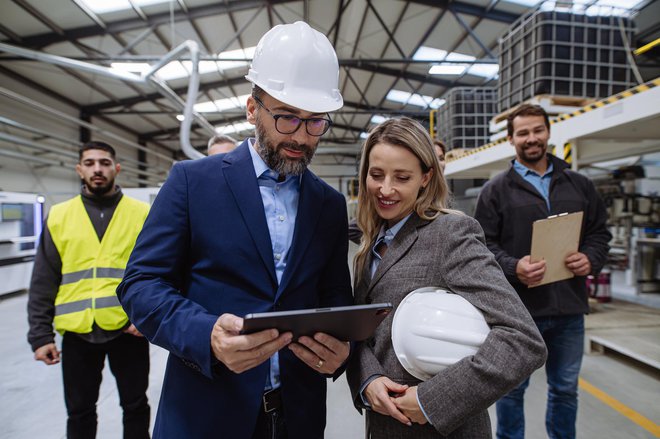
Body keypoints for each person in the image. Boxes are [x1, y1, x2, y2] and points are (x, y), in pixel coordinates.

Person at [116, 21, 353, 439]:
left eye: (316, 122)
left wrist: (340, 350)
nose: (301, 136)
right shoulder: (192, 182)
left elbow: (333, 295)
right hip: (207, 411)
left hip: (297, 414)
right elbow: (140, 284)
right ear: (251, 109)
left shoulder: (329, 205)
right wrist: (205, 334)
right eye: (286, 118)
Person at [346, 117, 547, 438]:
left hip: (444, 430)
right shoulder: (371, 242)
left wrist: (429, 401)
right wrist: (368, 379)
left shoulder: (450, 233)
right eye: (376, 174)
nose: (385, 189)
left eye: (402, 177)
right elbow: (362, 332)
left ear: (426, 177)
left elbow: (522, 341)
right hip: (383, 425)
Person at [473, 104, 612, 439]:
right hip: (519, 314)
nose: (531, 138)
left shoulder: (579, 185)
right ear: (511, 139)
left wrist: (590, 259)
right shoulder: (495, 191)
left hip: (569, 310)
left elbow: (599, 233)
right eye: (523, 132)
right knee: (511, 390)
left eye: (537, 130)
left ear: (548, 132)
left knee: (565, 390)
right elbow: (482, 247)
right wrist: (514, 267)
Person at [27, 141, 151, 439]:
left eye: (105, 163)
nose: (98, 169)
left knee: (135, 406)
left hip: (127, 330)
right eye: (91, 163)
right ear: (80, 169)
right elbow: (44, 279)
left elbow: (159, 271)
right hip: (77, 334)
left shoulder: (142, 213)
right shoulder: (59, 216)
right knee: (80, 412)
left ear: (116, 168)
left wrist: (147, 318)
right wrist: (41, 335)